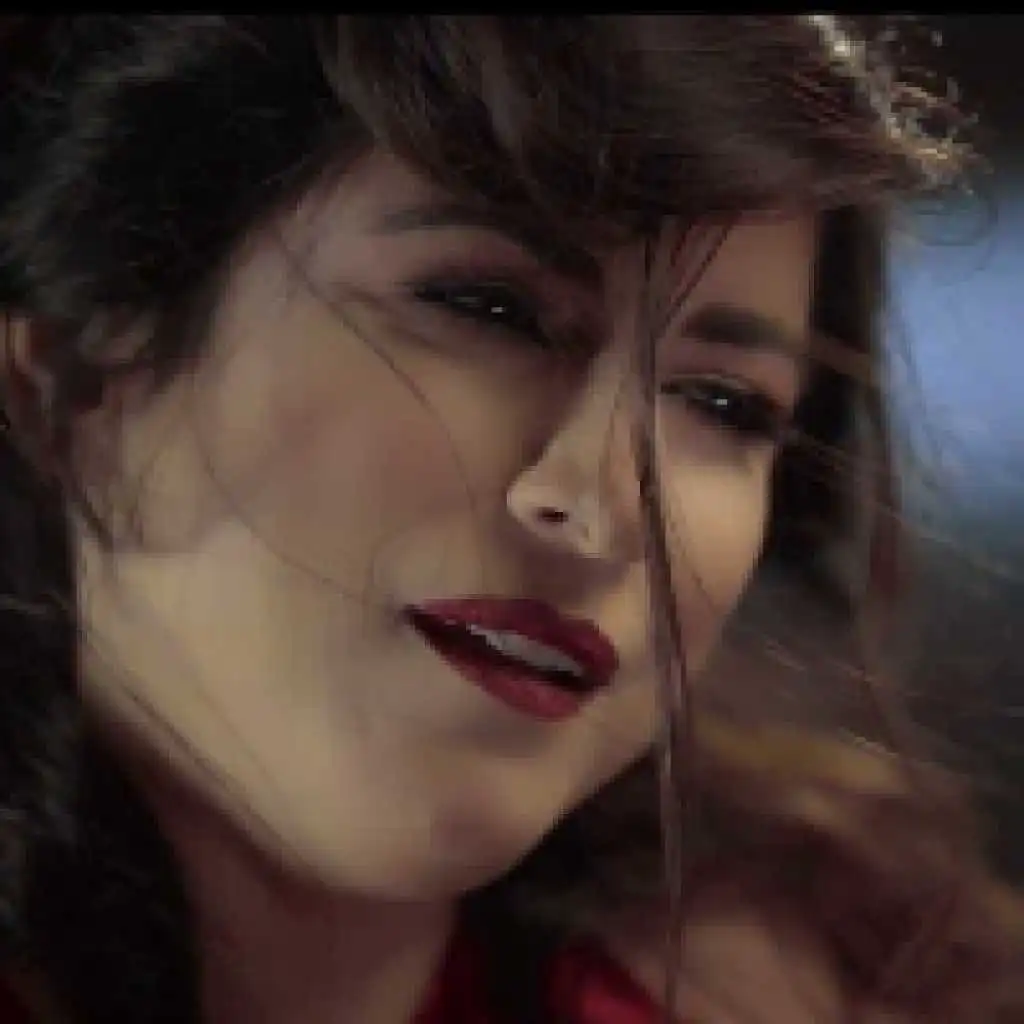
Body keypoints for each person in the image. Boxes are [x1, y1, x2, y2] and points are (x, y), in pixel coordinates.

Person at [0, 14, 1021, 1024]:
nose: (607, 504)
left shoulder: (854, 976)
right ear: (73, 380)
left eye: (723, 402)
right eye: (488, 309)